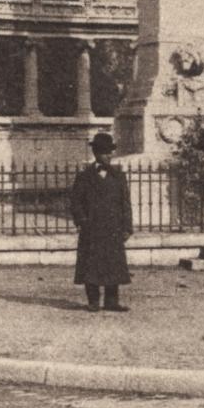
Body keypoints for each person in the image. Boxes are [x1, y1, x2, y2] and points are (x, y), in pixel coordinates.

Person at [70, 133, 133, 312]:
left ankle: (112, 301)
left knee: (113, 264)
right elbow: (76, 202)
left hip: (113, 228)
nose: (109, 156)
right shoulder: (84, 176)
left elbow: (125, 203)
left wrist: (127, 227)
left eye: (110, 152)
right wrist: (82, 221)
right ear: (96, 153)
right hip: (92, 228)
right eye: (105, 153)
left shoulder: (118, 175)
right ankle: (93, 301)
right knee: (91, 265)